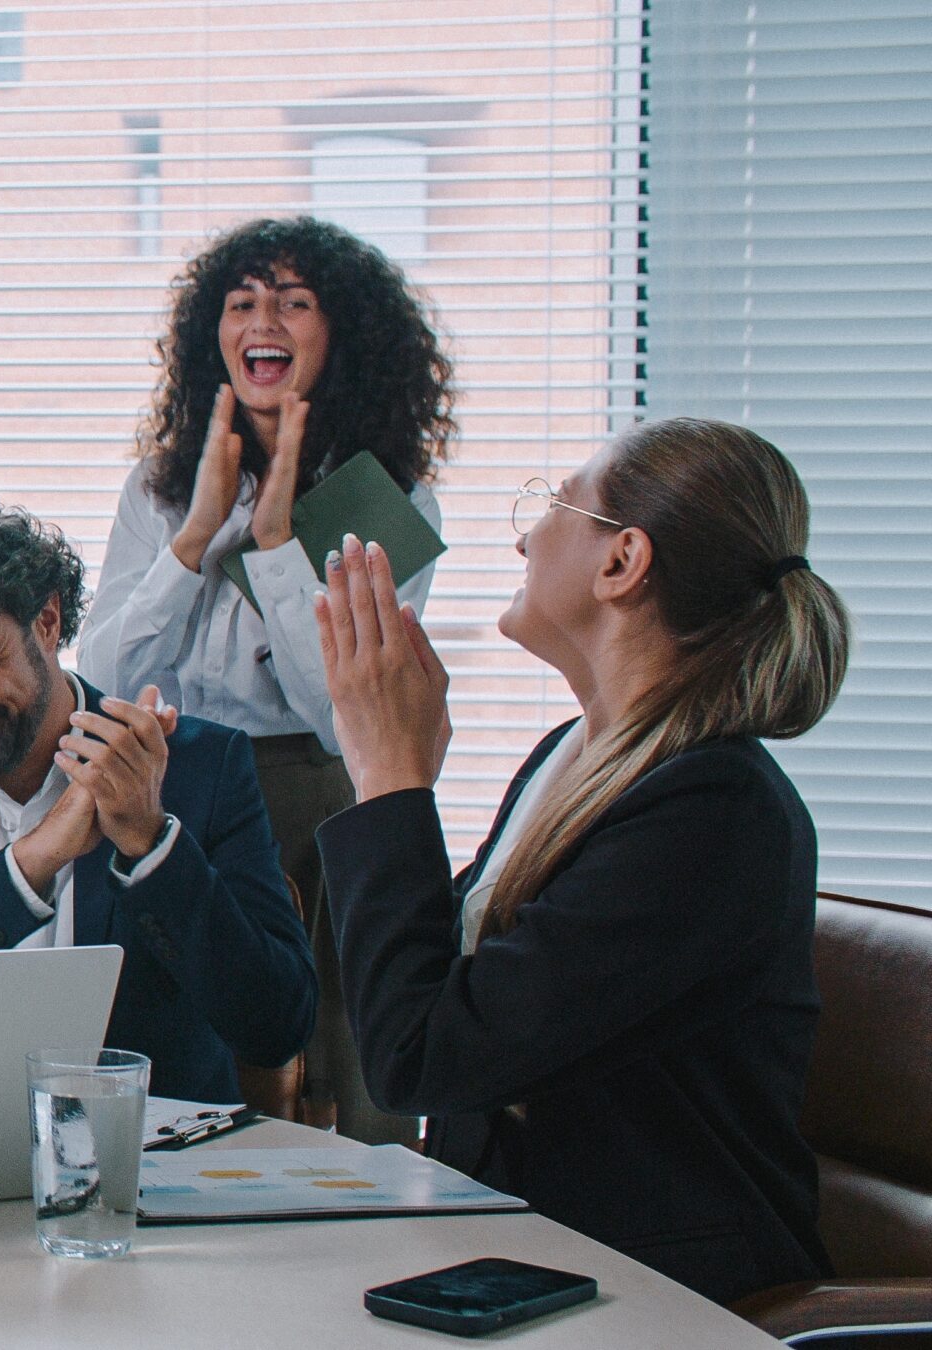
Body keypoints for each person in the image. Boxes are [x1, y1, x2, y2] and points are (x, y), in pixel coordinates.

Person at [315, 417, 846, 1303]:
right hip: (516, 1253)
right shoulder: (574, 756)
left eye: (554, 505)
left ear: (622, 563)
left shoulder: (715, 813)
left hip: (654, 1294)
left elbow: (425, 1055)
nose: (524, 535)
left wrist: (390, 778)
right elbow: (435, 996)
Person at [79, 216, 452, 1142]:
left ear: (343, 333)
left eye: (294, 301)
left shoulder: (384, 499)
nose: (263, 320)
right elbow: (103, 671)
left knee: (324, 1063)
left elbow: (338, 718)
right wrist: (197, 535)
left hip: (305, 794)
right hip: (170, 778)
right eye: (242, 301)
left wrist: (279, 543)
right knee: (176, 1043)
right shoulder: (161, 488)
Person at [0, 500, 315, 1103]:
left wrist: (150, 843)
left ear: (47, 622)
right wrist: (32, 862)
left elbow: (276, 1028)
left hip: (152, 1164)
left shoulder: (202, 767)